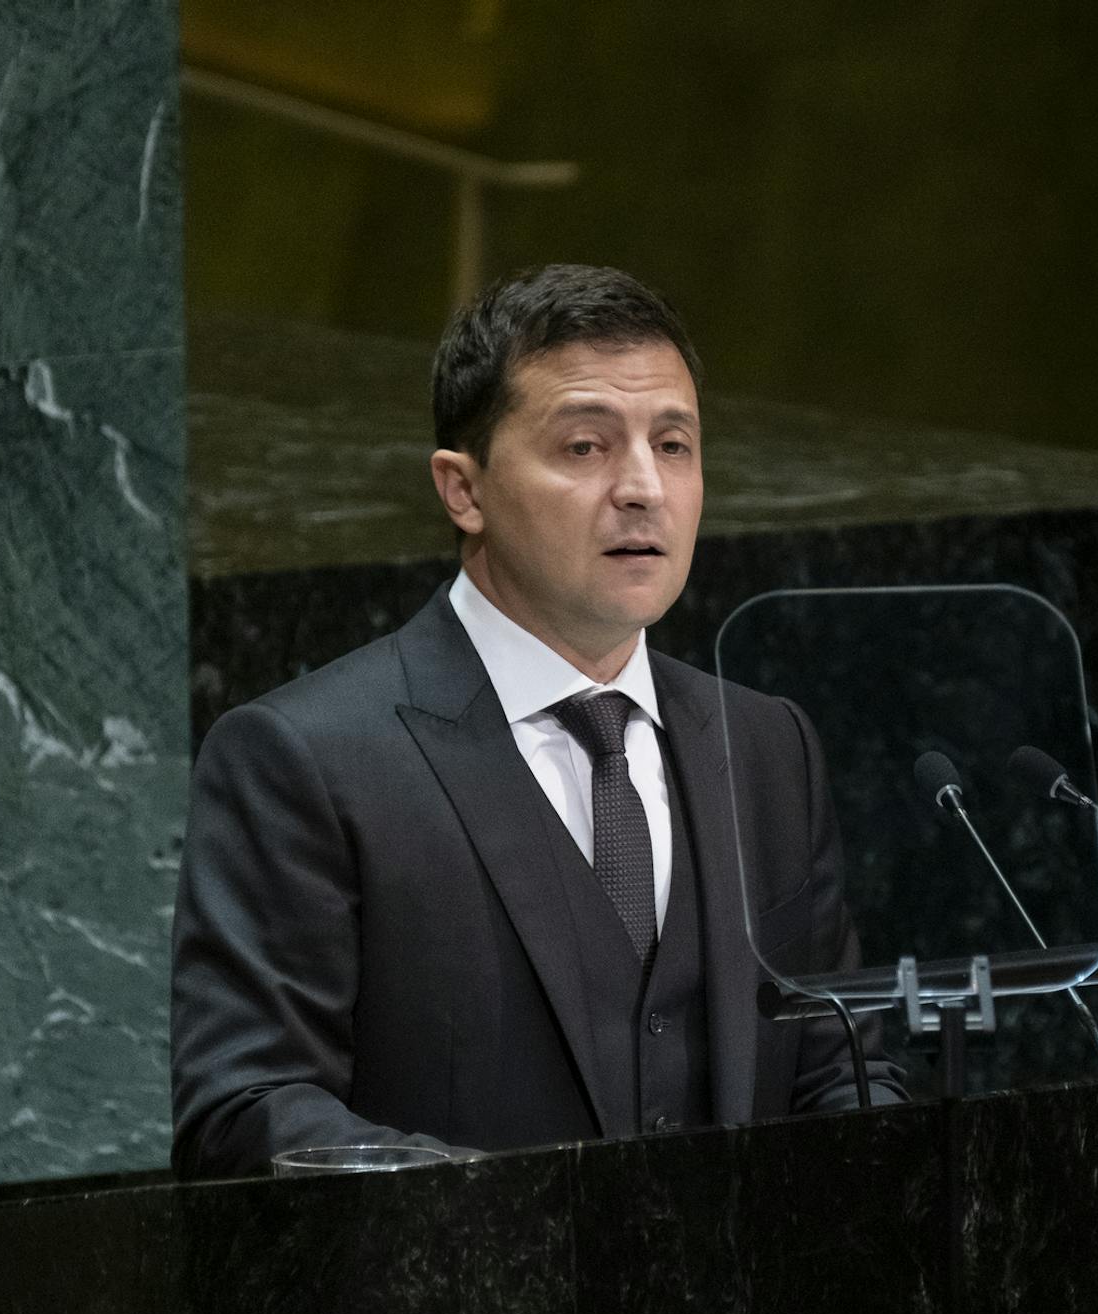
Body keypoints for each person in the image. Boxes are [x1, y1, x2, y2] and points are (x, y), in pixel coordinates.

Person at [170, 264, 903, 1176]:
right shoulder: (304, 758)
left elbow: (841, 1072)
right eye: (586, 447)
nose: (643, 488)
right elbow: (248, 1109)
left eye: (673, 445)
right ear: (462, 490)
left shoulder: (765, 746)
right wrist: (507, 1238)